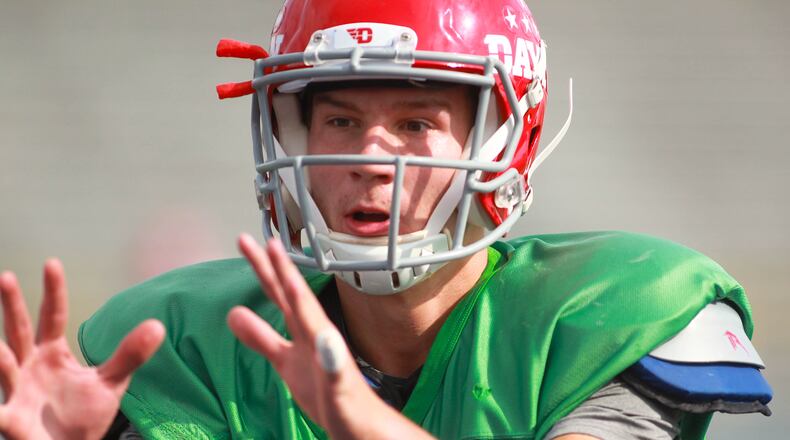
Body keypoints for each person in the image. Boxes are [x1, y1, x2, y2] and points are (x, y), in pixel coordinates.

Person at [0, 0, 773, 439]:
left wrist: (364, 423)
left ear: (505, 138)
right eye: (337, 122)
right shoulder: (200, 345)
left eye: (415, 123)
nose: (372, 158)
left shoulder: (606, 317)